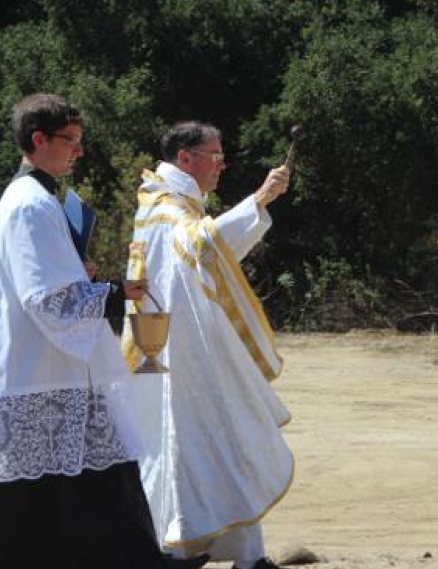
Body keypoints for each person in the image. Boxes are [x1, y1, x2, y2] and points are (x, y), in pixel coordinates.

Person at [0, 93, 209, 569]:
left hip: (50, 368)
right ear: (38, 140)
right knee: (4, 495)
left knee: (96, 474)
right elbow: (48, 300)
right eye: (71, 141)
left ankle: (140, 560)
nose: (79, 152)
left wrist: (82, 274)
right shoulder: (28, 206)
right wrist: (113, 292)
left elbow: (47, 281)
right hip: (32, 369)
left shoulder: (38, 201)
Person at [121, 122, 293, 569]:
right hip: (181, 357)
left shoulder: (166, 203)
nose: (221, 164)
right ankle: (177, 549)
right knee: (196, 446)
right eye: (215, 155)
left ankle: (243, 554)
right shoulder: (165, 209)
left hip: (179, 349)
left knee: (215, 442)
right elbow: (202, 248)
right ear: (185, 157)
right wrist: (258, 200)